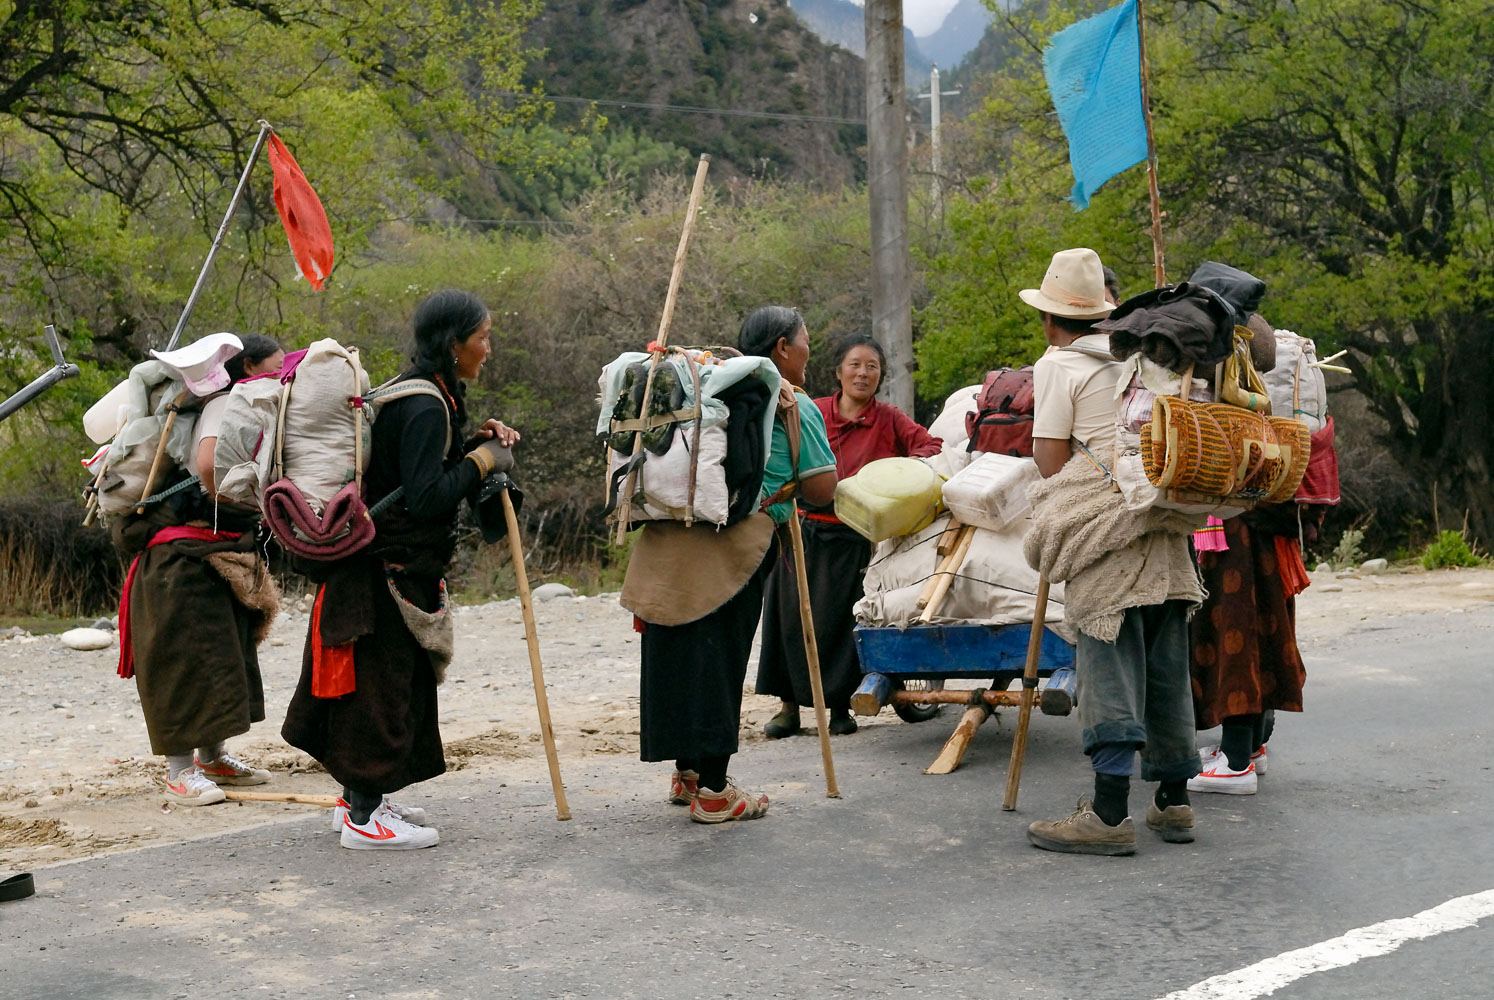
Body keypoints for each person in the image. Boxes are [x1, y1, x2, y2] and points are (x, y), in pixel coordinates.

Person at [282, 290, 520, 850]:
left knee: (384, 686)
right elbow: (428, 495)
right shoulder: (423, 404)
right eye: (482, 337)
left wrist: (473, 444)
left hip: (382, 567)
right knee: (381, 691)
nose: (488, 348)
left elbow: (419, 470)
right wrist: (481, 461)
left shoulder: (425, 392)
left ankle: (360, 800)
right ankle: (365, 820)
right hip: (386, 573)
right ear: (453, 344)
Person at [621, 306, 837, 824]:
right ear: (783, 348)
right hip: (736, 544)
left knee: (674, 657)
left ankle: (688, 775)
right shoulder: (790, 403)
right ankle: (715, 794)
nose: (811, 350)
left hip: (671, 535)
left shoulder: (703, 390)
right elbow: (822, 489)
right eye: (805, 340)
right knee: (719, 661)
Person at [1020, 248, 1204, 855]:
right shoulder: (1143, 356)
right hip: (1163, 515)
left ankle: (1107, 814)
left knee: (1108, 657)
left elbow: (1050, 460)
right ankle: (1174, 804)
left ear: (1050, 320)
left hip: (1103, 523)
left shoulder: (1057, 364)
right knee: (1165, 659)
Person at [114, 334, 286, 807]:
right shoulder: (224, 403)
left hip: (211, 552)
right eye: (271, 366)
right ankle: (179, 772)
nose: (279, 374)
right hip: (179, 560)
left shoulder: (239, 402)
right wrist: (233, 500)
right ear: (247, 366)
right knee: (185, 664)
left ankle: (213, 758)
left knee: (224, 655)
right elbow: (209, 465)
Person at [756, 334, 941, 738]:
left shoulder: (889, 418)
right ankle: (788, 708)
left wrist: (898, 472)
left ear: (880, 375)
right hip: (801, 528)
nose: (863, 373)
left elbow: (931, 446)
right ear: (838, 371)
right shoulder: (812, 410)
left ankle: (840, 706)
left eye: (872, 366)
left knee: (840, 623)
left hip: (854, 535)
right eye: (855, 364)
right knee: (788, 619)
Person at [1187, 314, 1317, 794]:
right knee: (1265, 622)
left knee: (1233, 628)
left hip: (1234, 527)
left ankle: (1237, 760)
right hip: (1269, 523)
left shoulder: (1229, 398)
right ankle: (1252, 746)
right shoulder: (1265, 398)